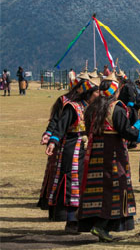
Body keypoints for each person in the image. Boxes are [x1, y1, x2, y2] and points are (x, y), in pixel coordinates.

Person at [78, 72, 140, 242]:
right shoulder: (116, 108)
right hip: (113, 154)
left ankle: (99, 225)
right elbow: (126, 131)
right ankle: (101, 226)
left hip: (95, 154)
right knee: (115, 188)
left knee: (97, 189)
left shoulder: (91, 108)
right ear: (116, 91)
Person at [40, 72, 99, 233]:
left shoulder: (94, 109)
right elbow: (60, 125)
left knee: (88, 183)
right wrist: (53, 141)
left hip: (89, 149)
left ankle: (86, 220)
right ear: (88, 93)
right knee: (73, 182)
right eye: (96, 92)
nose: (98, 95)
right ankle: (71, 220)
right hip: (72, 148)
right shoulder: (72, 107)